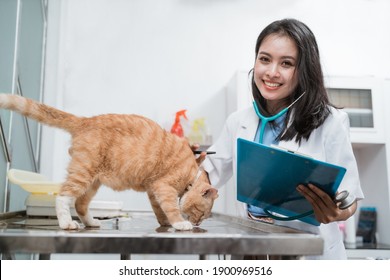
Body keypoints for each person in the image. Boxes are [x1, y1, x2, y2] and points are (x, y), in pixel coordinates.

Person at [200, 18, 364, 259]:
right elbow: (208, 172)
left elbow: (349, 198)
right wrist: (188, 165)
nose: (272, 72)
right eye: (264, 59)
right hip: (253, 253)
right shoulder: (239, 121)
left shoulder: (330, 122)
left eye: (286, 63)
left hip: (307, 255)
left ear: (304, 71)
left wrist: (336, 212)